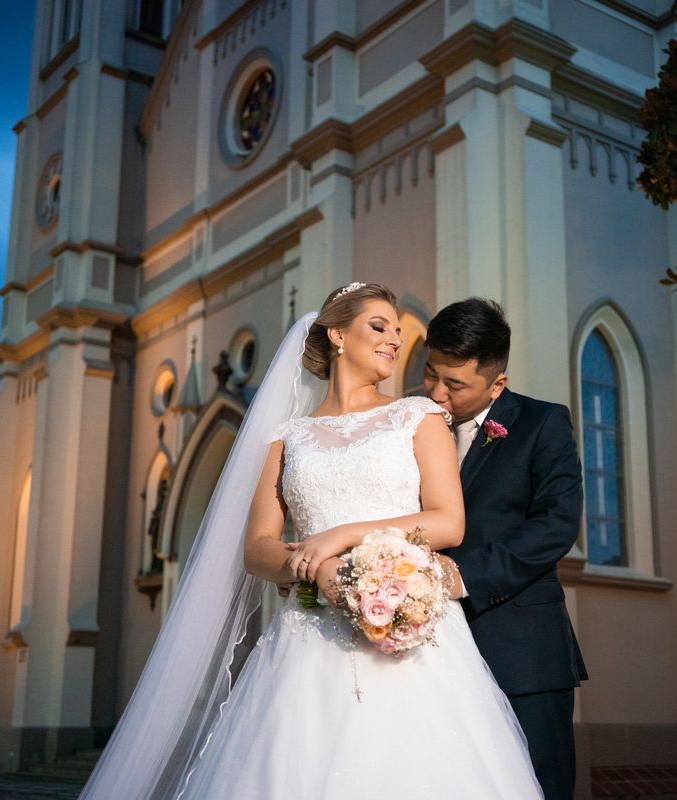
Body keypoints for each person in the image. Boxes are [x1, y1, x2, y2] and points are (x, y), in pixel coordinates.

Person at [77, 284, 542, 800]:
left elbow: (447, 523)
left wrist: (343, 537)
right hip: (307, 630)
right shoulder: (287, 435)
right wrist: (314, 569)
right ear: (338, 333)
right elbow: (257, 547)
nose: (395, 338)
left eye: (396, 327)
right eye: (379, 325)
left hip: (407, 629)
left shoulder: (418, 417)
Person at [423, 298, 588, 800]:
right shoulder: (409, 426)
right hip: (427, 654)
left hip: (522, 653)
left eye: (455, 385)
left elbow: (556, 525)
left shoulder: (543, 424)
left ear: (496, 383)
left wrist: (462, 576)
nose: (436, 393)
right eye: (430, 374)